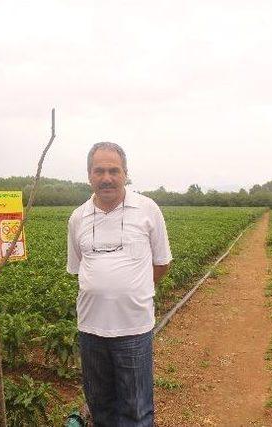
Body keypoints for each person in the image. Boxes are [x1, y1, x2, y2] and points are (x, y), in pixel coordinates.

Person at [67, 142, 172, 426]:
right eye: (99, 171)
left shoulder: (147, 209)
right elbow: (79, 269)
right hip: (90, 330)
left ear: (125, 173)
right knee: (100, 407)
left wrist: (133, 291)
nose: (107, 178)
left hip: (133, 329)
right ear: (89, 175)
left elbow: (162, 263)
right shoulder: (78, 217)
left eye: (114, 170)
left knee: (136, 410)